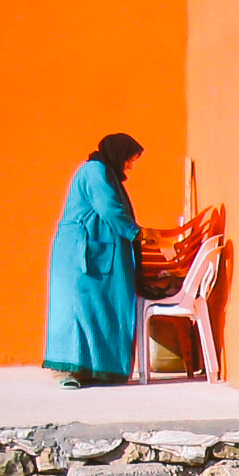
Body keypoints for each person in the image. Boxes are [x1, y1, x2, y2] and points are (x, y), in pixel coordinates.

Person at [43, 134, 144, 387]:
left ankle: (91, 369)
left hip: (92, 248)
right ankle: (68, 371)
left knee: (95, 310)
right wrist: (137, 233)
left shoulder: (105, 172)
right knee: (76, 309)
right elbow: (108, 208)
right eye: (128, 160)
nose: (129, 166)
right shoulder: (95, 171)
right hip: (79, 252)